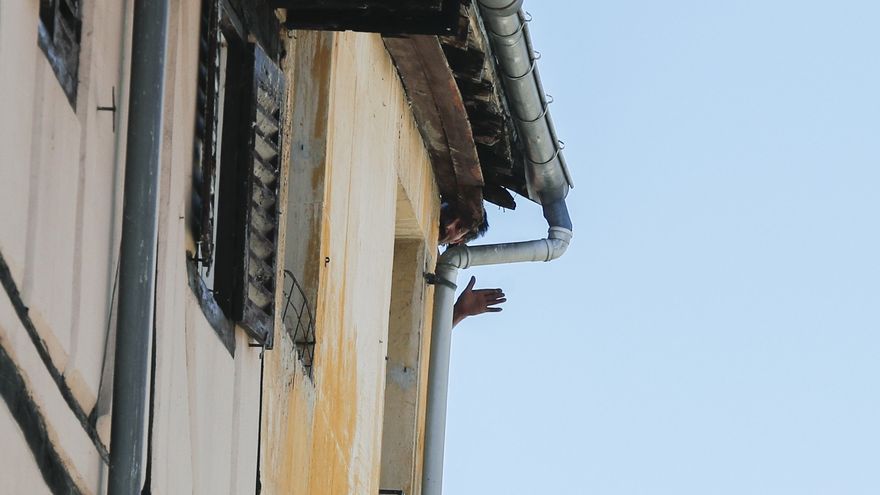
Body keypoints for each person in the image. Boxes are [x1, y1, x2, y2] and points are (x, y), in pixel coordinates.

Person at [437, 201, 506, 326]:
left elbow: (425, 332)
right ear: (442, 204)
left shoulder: (435, 269)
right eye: (451, 214)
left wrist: (459, 312)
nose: (449, 225)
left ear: (458, 240)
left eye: (459, 227)